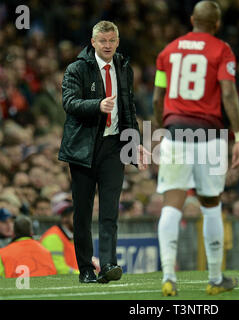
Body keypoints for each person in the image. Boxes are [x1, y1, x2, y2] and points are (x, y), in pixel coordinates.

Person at [152, 1, 239, 296]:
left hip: (176, 131)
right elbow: (228, 92)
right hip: (210, 135)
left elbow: (157, 96)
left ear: (192, 19)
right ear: (216, 24)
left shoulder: (167, 52)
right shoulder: (222, 50)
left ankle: (168, 276)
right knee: (211, 203)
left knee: (172, 203)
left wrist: (160, 127)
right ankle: (215, 279)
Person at [58, 20, 150, 284]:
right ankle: (86, 268)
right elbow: (69, 103)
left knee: (110, 211)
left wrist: (135, 141)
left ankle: (108, 264)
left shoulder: (123, 67)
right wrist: (97, 105)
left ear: (117, 42)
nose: (108, 45)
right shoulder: (77, 69)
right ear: (93, 42)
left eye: (112, 41)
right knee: (83, 213)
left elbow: (128, 108)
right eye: (103, 41)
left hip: (114, 148)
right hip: (84, 148)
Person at [40, 205, 79, 274]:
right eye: (75, 217)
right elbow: (58, 268)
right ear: (64, 219)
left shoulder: (71, 236)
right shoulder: (53, 237)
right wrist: (81, 273)